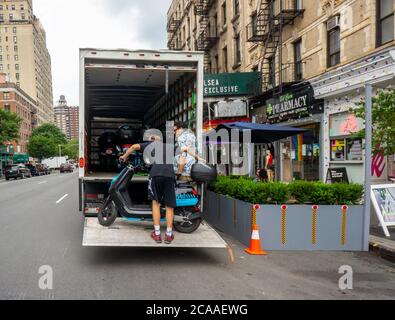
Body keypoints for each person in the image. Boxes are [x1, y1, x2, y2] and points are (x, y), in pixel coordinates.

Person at [120, 132, 176, 245]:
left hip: (156, 175)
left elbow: (134, 146)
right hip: (170, 175)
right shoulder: (170, 147)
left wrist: (124, 156)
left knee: (156, 203)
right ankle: (169, 235)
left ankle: (157, 233)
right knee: (169, 206)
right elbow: (182, 154)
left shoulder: (151, 145)